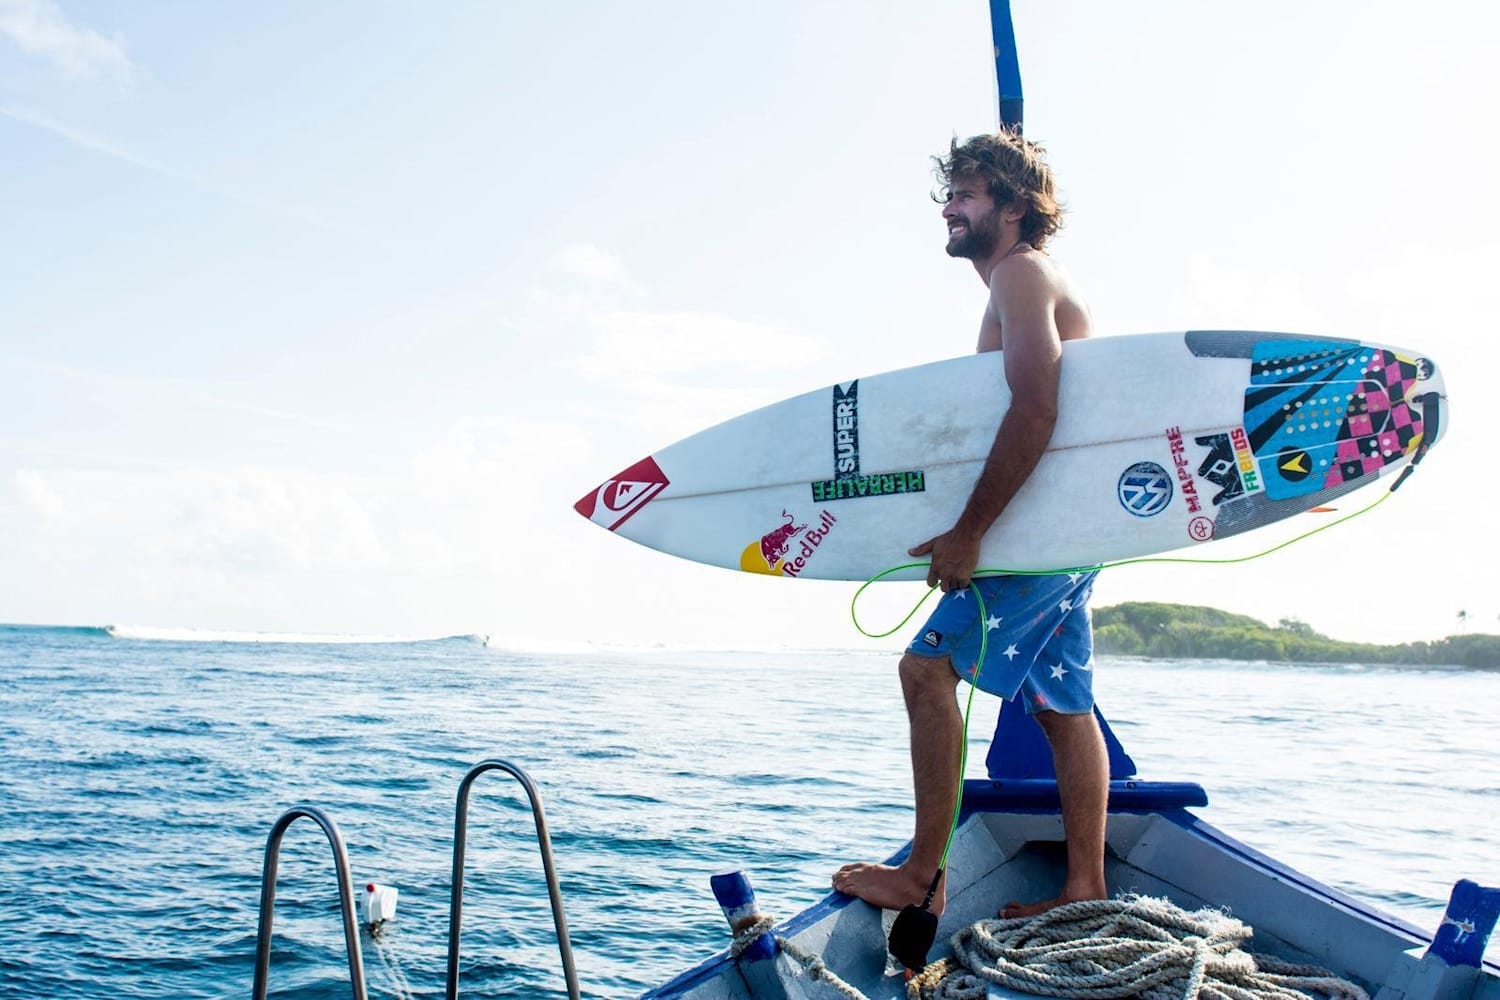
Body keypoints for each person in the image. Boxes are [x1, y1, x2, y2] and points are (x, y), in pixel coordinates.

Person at [831, 131, 1109, 920]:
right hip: (1066, 536)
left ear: (1016, 205)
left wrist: (970, 532)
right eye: (949, 195)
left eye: (969, 193)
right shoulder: (1023, 280)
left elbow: (1037, 404)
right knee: (1062, 704)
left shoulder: (1022, 274)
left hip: (1035, 538)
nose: (951, 208)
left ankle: (922, 874)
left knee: (924, 672)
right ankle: (1084, 886)